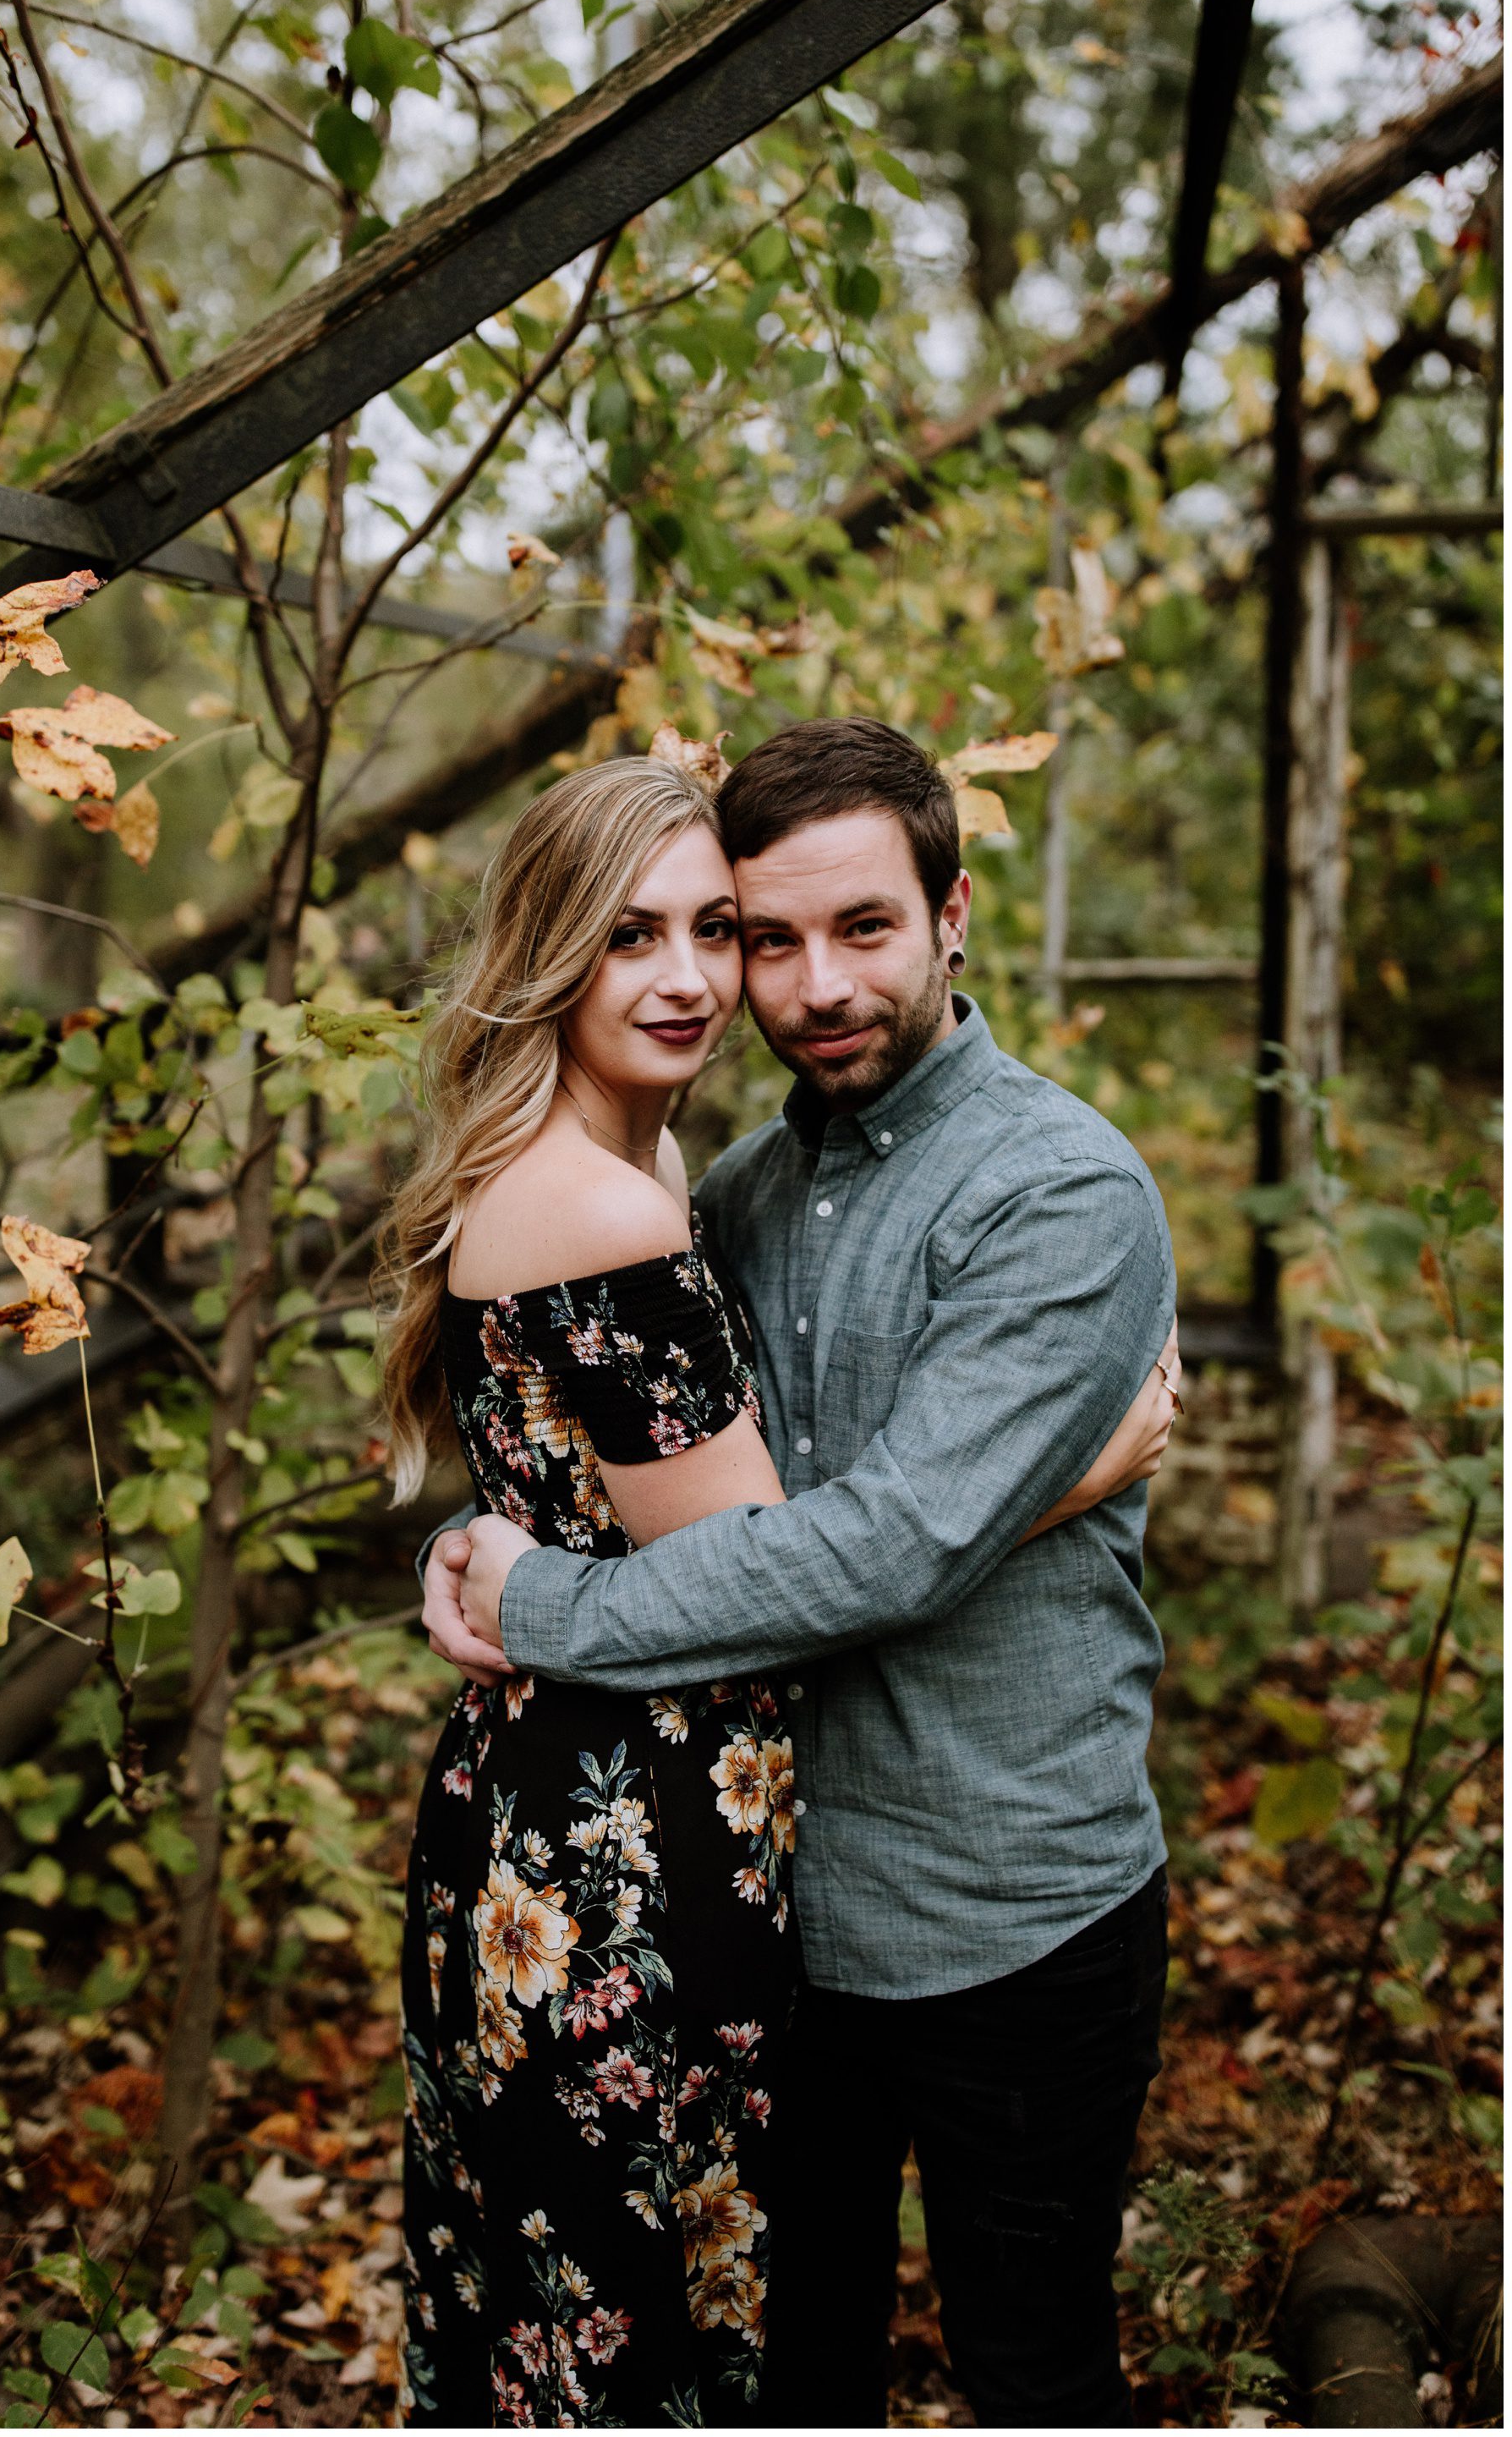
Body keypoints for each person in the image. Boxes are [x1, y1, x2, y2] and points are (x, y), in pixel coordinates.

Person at [384, 749, 1177, 2429]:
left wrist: (532, 1600)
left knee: (1032, 2369)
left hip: (1004, 1908)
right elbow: (716, 1511)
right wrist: (1060, 1477)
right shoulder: (725, 1193)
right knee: (788, 2373)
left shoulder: (1059, 1192)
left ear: (953, 917)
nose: (810, 984)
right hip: (767, 1924)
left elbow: (879, 1547)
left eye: (865, 927)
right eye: (768, 937)